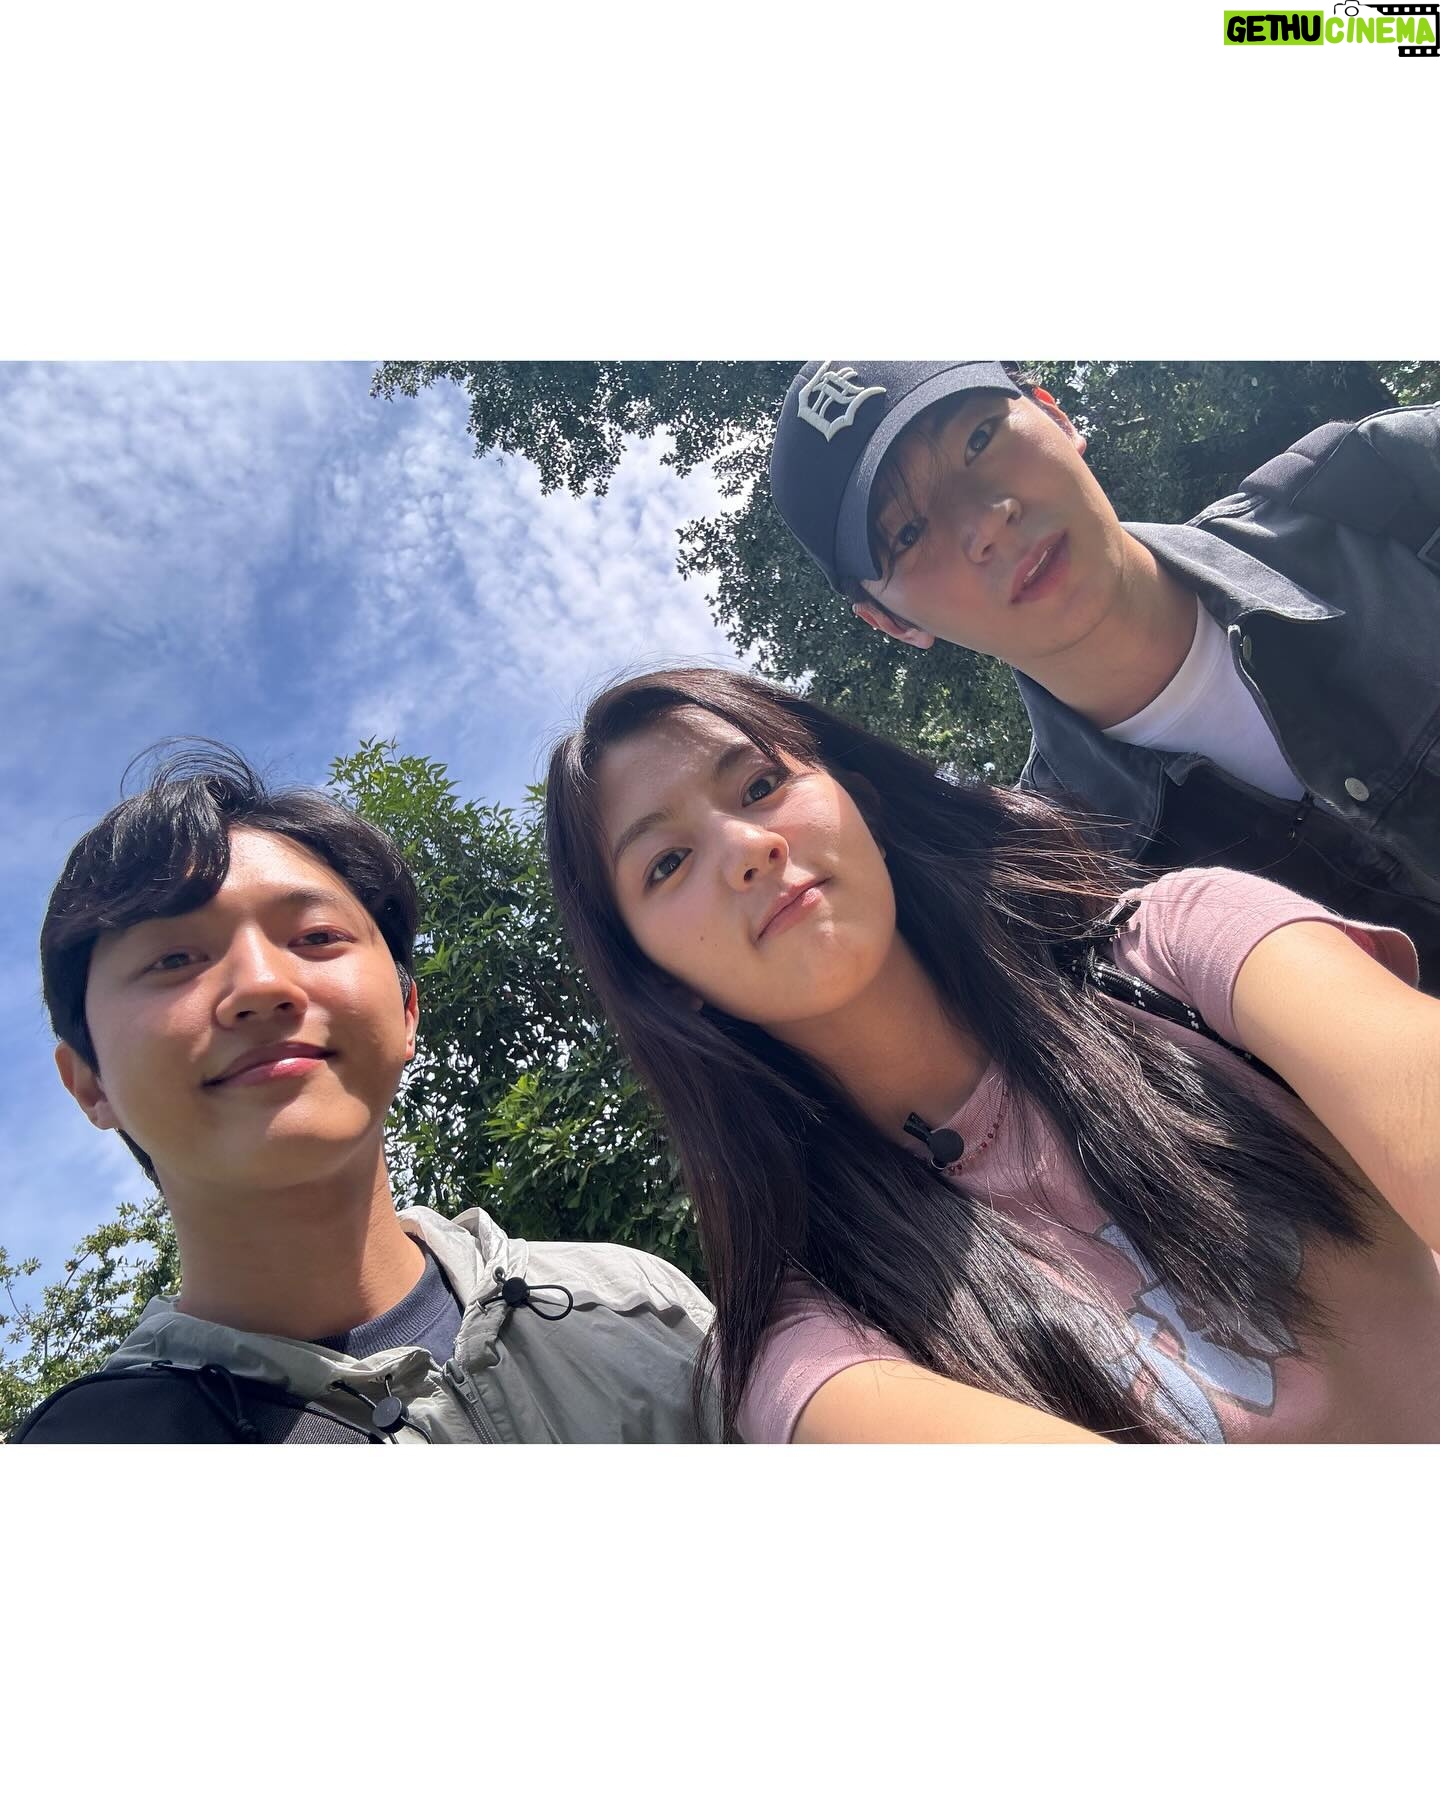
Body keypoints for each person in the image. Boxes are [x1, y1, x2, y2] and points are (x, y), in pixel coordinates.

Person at [543, 665, 1440, 1444]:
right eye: (666, 863)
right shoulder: (809, 1339)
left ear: (860, 804)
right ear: (662, 983)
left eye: (760, 784)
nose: (748, 849)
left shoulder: (1174, 949)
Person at [12, 744, 713, 1444]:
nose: (263, 984)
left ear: (407, 1011)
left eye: (317, 936)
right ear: (89, 1082)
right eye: (173, 959)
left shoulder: (638, 1304)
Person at [768, 360, 1440, 989]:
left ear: (1055, 415)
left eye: (979, 439)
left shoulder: (1393, 487)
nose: (986, 523)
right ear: (891, 622)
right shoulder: (1071, 899)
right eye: (909, 534)